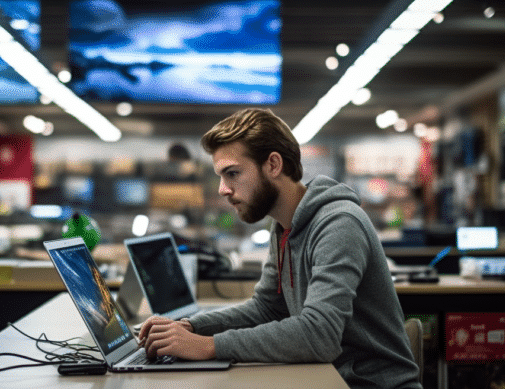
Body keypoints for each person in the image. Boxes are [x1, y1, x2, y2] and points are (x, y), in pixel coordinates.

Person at [137, 108, 421, 388]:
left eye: (232, 173)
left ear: (273, 165)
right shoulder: (284, 226)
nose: (223, 189)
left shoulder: (339, 223)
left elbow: (319, 335)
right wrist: (191, 328)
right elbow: (266, 309)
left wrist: (209, 346)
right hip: (331, 378)